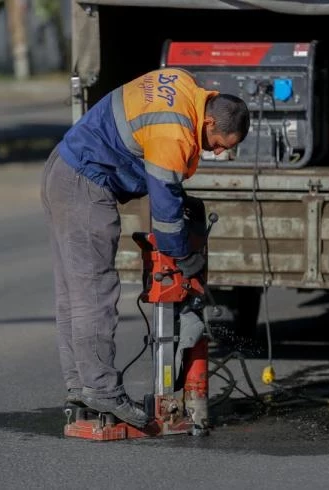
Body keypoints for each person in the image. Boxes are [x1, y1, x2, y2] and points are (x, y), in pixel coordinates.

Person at [40, 67, 250, 428]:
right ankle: (102, 390)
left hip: (62, 168)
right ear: (211, 121)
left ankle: (81, 386)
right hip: (85, 183)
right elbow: (165, 211)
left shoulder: (184, 85)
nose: (215, 152)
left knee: (73, 294)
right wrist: (185, 257)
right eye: (219, 145)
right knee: (94, 293)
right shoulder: (176, 133)